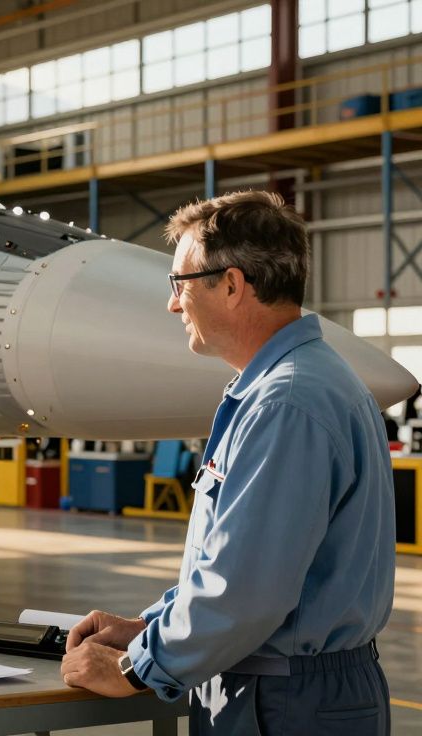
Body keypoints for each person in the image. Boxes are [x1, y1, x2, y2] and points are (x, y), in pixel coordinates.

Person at [61, 191, 398, 734]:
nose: (173, 304)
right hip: (284, 686)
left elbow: (245, 593)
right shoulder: (296, 384)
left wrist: (135, 668)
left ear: (233, 285)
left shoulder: (286, 403)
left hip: (285, 700)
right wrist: (149, 628)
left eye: (180, 283)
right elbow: (235, 562)